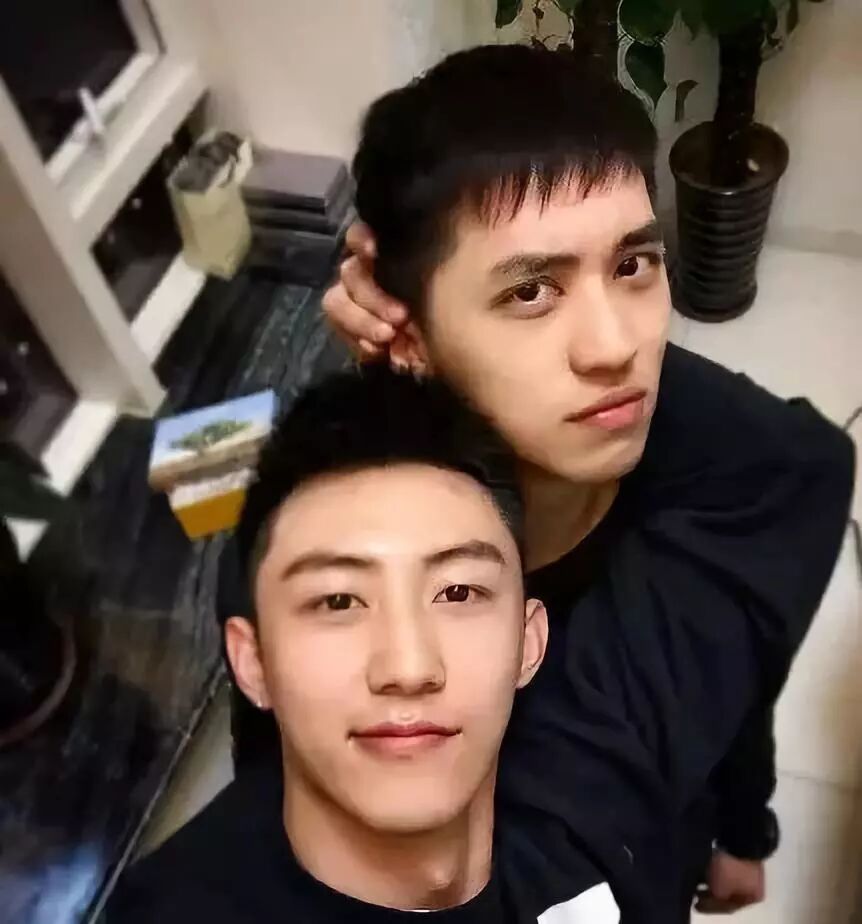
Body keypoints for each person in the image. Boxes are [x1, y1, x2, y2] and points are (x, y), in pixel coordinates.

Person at [320, 44, 855, 919]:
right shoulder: (334, 583)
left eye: (632, 264)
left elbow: (743, 644)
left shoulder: (706, 521)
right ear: (405, 329)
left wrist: (741, 825)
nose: (617, 347)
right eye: (532, 291)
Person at [106, 366, 632, 923]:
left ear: (529, 641)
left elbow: (687, 451)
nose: (408, 667)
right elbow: (133, 488)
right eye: (338, 601)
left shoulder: (601, 788)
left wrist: (441, 340)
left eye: (457, 592)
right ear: (253, 661)